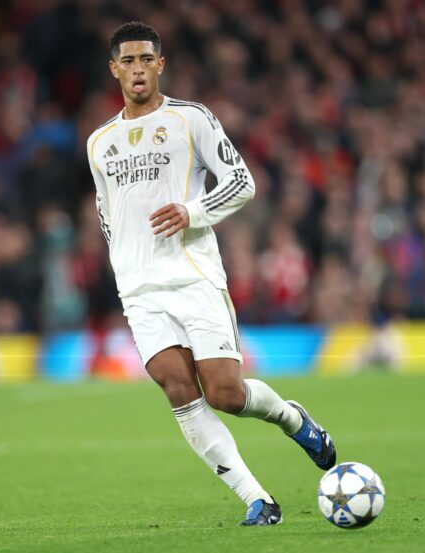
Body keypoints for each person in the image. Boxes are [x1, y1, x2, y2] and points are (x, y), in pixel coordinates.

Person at [86, 21, 336, 526]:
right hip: (139, 290)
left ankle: (292, 418)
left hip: (193, 275)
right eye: (127, 62)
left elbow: (241, 182)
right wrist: (124, 273)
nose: (137, 69)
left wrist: (192, 213)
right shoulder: (99, 143)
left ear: (161, 64)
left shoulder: (191, 119)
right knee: (179, 391)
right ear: (114, 70)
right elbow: (107, 216)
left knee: (226, 394)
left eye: (146, 60)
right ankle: (258, 500)